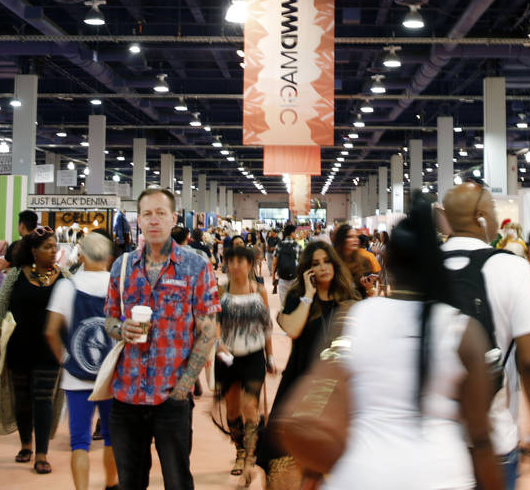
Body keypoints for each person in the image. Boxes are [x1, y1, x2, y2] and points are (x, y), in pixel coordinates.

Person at [321, 198, 503, 490]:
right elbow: (480, 436)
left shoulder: (354, 318)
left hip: (365, 474)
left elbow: (323, 400)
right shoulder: (463, 330)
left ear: (388, 264)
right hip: (441, 475)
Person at [103, 188, 220, 490]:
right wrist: (121, 329)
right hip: (126, 393)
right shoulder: (123, 266)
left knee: (177, 480)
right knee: (130, 481)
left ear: (173, 219)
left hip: (171, 395)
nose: (153, 220)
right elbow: (110, 320)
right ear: (138, 220)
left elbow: (208, 330)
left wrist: (184, 386)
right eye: (147, 214)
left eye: (160, 213)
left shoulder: (196, 266)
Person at [442, 182, 530, 490]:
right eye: (492, 209)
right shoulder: (512, 268)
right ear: (480, 217)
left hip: (433, 444)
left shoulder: (423, 270)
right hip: (493, 437)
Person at [259, 241, 360, 489]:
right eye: (316, 263)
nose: (323, 267)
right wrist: (309, 295)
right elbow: (292, 330)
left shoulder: (349, 299)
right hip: (299, 382)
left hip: (335, 388)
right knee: (282, 458)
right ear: (308, 270)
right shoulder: (298, 297)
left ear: (335, 263)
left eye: (326, 261)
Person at [0, 226, 71, 475]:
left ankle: (42, 453)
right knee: (23, 399)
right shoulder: (16, 275)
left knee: (43, 399)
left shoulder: (64, 277)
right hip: (19, 347)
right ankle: (25, 444)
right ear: (33, 251)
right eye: (47, 247)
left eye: (55, 247)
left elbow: (76, 309)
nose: (53, 251)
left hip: (50, 349)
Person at [45, 232, 119, 490]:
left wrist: (65, 358)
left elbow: (51, 330)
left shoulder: (67, 286)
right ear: (110, 258)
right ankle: (111, 484)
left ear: (81, 255)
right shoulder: (117, 286)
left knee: (80, 441)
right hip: (112, 375)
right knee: (112, 437)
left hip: (76, 375)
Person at [213, 245, 276, 484]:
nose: (236, 266)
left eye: (241, 261)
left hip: (253, 356)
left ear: (251, 265)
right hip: (227, 358)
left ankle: (250, 457)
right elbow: (215, 321)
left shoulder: (259, 291)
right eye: (231, 261)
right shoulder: (221, 290)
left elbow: (266, 326)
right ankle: (239, 449)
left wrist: (270, 357)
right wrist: (219, 344)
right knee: (232, 411)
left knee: (251, 406)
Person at [332, 224, 380, 298]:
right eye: (350, 237)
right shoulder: (333, 263)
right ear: (341, 240)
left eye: (356, 237)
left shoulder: (364, 262)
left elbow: (369, 291)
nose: (356, 240)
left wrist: (369, 287)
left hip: (360, 305)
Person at [272, 224, 300, 299]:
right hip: (294, 278)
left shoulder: (279, 245)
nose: (296, 235)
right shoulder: (297, 246)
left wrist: (273, 277)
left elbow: (274, 264)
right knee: (294, 302)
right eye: (295, 233)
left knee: (283, 303)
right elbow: (301, 263)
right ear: (292, 233)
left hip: (282, 278)